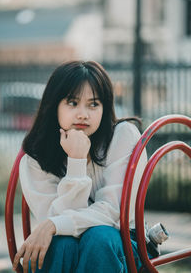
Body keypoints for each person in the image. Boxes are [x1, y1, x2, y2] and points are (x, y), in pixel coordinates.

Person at [12, 60, 149, 273]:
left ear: (105, 108)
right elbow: (61, 225)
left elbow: (113, 213)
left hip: (120, 244)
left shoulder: (122, 137)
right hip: (67, 245)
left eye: (93, 104)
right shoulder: (34, 160)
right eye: (73, 103)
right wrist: (76, 161)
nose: (83, 114)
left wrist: (53, 224)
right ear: (54, 105)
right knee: (61, 244)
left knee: (98, 237)